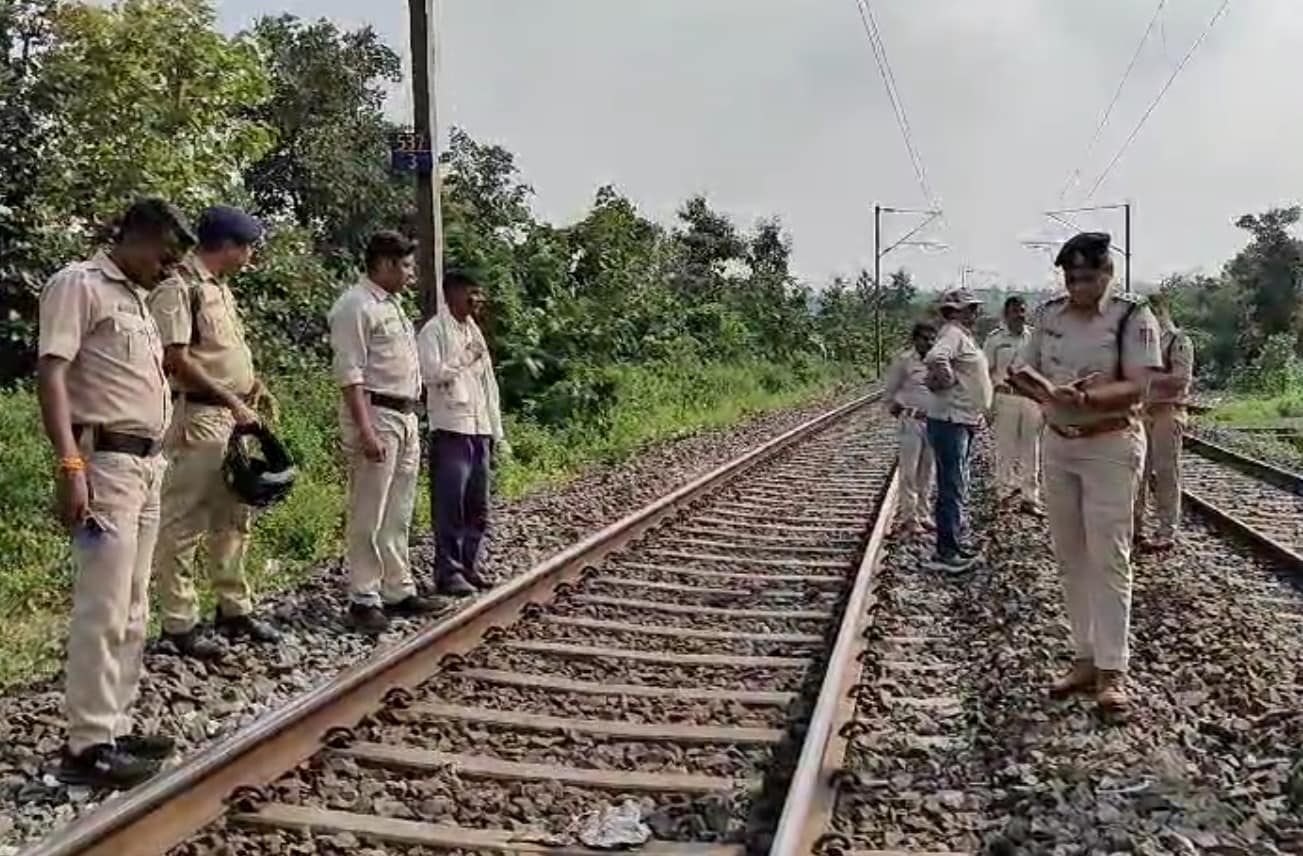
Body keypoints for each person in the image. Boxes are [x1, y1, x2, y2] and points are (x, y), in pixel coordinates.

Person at [37, 198, 195, 788]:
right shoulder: (79, 285)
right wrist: (70, 463)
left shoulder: (138, 301)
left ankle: (115, 724)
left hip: (146, 466)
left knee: (133, 607)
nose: (168, 267)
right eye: (164, 254)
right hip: (104, 462)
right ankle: (86, 745)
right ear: (136, 237)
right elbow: (52, 374)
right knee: (103, 606)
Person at [1009, 231, 1180, 713]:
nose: (1078, 286)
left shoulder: (1131, 316)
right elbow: (1021, 368)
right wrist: (1046, 391)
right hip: (1059, 443)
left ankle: (1112, 669)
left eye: (1086, 277)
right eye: (1070, 277)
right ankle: (1083, 657)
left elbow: (1139, 386)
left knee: (1109, 556)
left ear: (1108, 273)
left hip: (1110, 443)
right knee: (1070, 556)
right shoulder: (1049, 316)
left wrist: (1084, 398)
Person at [148, 206, 279, 659]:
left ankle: (233, 607)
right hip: (200, 416)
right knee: (184, 519)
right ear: (228, 245)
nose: (250, 256)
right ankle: (179, 622)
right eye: (248, 247)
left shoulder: (218, 289)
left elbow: (221, 352)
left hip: (232, 416)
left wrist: (252, 387)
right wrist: (231, 398)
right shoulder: (179, 287)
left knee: (234, 516)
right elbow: (176, 358)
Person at [329, 231, 438, 633]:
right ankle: (364, 596)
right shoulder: (355, 306)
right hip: (377, 414)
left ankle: (397, 587)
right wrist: (365, 430)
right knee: (369, 509)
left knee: (398, 509)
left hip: (404, 415)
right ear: (386, 264)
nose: (411, 274)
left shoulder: (392, 305)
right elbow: (350, 374)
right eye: (406, 266)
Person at [417, 270, 506, 596]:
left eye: (479, 293)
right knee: (450, 504)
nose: (477, 300)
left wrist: (496, 432)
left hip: (478, 428)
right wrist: (464, 357)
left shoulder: (474, 330)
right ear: (452, 293)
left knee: (477, 505)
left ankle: (469, 564)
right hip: (451, 428)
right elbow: (430, 374)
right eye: (471, 293)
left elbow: (488, 385)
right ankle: (448, 571)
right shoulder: (434, 331)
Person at [922, 288, 992, 574]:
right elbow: (935, 357)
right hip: (951, 421)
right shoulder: (952, 333)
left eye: (975, 308)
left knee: (956, 483)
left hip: (960, 419)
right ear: (954, 311)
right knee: (951, 485)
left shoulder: (960, 334)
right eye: (970, 308)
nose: (975, 312)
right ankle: (946, 552)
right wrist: (947, 378)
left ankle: (953, 544)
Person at [1133, 291, 1194, 552]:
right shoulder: (1143, 342)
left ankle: (1167, 530)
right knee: (1138, 472)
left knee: (1166, 473)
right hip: (1143, 412)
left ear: (1162, 310)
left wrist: (1147, 378)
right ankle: (1135, 526)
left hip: (1168, 411)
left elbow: (1180, 378)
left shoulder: (1178, 340)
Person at [984, 295, 1044, 516]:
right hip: (1006, 399)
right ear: (1006, 314)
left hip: (1030, 400)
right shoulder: (995, 339)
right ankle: (1004, 493)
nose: (1019, 315)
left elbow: (1043, 368)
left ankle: (1030, 497)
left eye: (1022, 310)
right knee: (1006, 449)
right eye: (1015, 311)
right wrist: (989, 401)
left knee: (1032, 449)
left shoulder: (1035, 338)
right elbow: (986, 371)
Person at [882, 321, 937, 536]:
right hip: (911, 421)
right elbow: (889, 391)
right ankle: (910, 517)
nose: (928, 343)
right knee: (909, 471)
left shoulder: (938, 360)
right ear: (915, 340)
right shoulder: (904, 361)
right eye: (924, 338)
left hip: (933, 421)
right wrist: (899, 411)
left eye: (932, 339)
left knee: (928, 470)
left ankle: (924, 513)